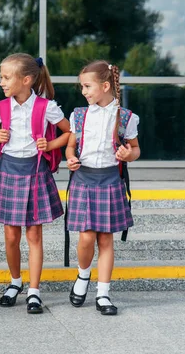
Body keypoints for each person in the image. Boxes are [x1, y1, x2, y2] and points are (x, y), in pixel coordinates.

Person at [0, 53, 70, 314]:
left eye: (6, 77)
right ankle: (15, 282)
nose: (2, 82)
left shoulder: (46, 107)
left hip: (35, 171)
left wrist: (51, 144)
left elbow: (70, 131)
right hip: (8, 170)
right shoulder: (0, 108)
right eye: (1, 77)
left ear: (27, 80)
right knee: (11, 235)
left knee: (33, 235)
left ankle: (34, 291)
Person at [65, 60, 140, 316]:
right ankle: (83, 276)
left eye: (87, 86)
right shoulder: (79, 115)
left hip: (110, 180)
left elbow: (136, 149)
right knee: (86, 237)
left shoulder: (126, 117)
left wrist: (127, 154)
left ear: (105, 85)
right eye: (82, 87)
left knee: (106, 239)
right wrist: (71, 158)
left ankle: (103, 293)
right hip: (84, 180)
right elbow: (70, 145)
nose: (83, 91)